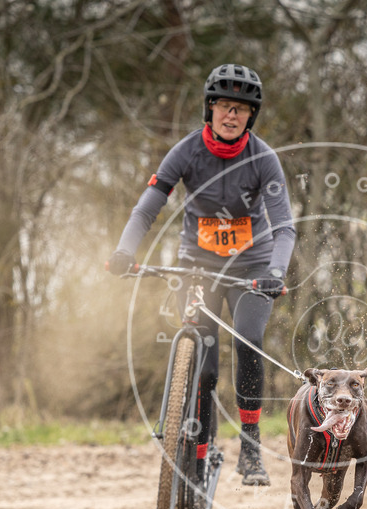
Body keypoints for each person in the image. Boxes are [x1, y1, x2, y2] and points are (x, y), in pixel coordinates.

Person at [108, 64, 295, 487]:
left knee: (248, 339)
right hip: (197, 264)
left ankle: (250, 445)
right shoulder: (186, 152)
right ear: (210, 109)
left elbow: (284, 226)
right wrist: (124, 250)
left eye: (242, 109)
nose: (232, 115)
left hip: (251, 267)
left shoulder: (263, 158)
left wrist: (275, 271)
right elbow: (148, 206)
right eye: (225, 106)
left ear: (252, 116)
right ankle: (196, 445)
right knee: (204, 364)